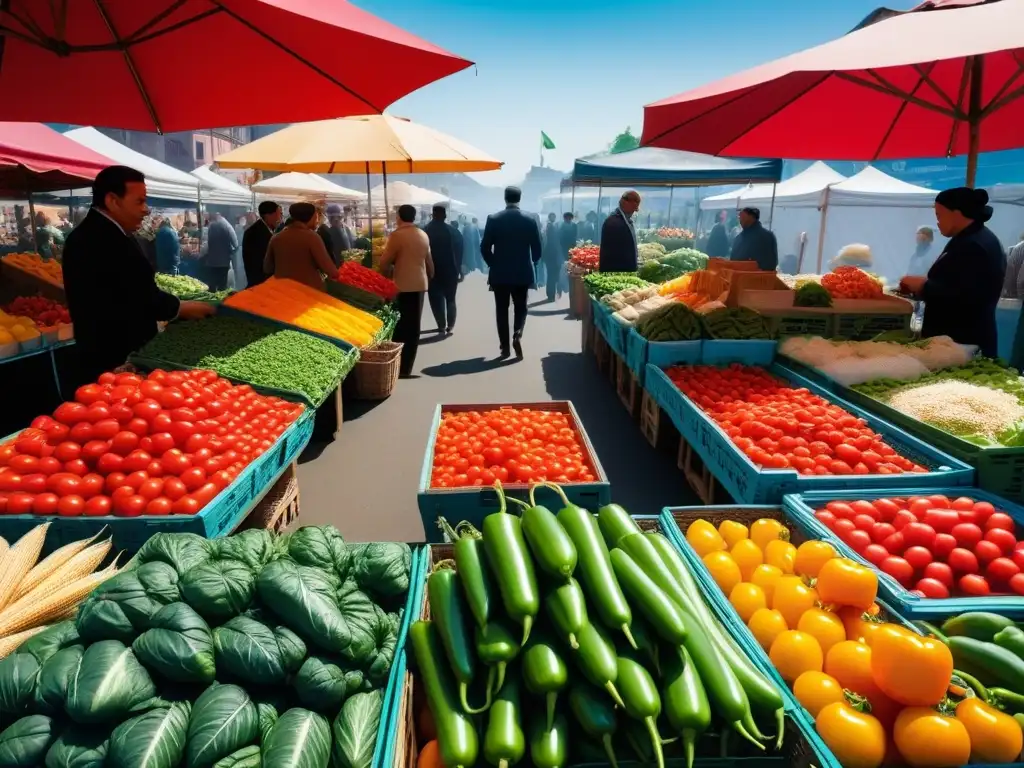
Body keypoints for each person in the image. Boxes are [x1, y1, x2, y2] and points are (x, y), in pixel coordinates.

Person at [62, 165, 213, 387]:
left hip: (106, 348)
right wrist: (181, 308)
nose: (147, 209)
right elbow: (140, 295)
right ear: (113, 201)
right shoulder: (102, 240)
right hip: (114, 354)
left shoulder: (102, 233)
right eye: (140, 201)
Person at [899, 187, 1005, 358]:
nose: (938, 222)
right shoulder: (970, 239)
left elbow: (964, 296)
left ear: (956, 213)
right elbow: (954, 281)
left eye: (939, 215)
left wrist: (923, 286)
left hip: (964, 343)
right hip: (958, 341)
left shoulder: (974, 245)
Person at [480, 186, 543, 359]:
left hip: (500, 274)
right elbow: (537, 248)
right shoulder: (530, 220)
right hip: (522, 272)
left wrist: (494, 263)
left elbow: (484, 247)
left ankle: (505, 347)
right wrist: (533, 262)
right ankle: (518, 333)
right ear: (520, 198)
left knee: (501, 310)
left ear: (505, 198)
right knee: (521, 307)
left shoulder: (493, 219)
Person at [380, 204, 433, 377]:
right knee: (414, 327)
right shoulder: (423, 235)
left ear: (399, 217)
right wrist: (429, 276)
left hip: (402, 285)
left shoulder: (397, 236)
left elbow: (384, 262)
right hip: (419, 285)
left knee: (401, 326)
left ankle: (400, 366)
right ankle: (407, 367)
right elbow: (430, 263)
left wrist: (385, 278)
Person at [263, 202, 339, 290]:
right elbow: (331, 271)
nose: (317, 220)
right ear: (310, 218)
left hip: (283, 291)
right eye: (316, 217)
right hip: (308, 292)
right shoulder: (312, 237)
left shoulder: (276, 238)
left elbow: (267, 268)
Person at [423, 204, 460, 336]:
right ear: (445, 215)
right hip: (451, 270)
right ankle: (450, 325)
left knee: (435, 299)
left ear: (433, 215)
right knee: (451, 299)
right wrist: (460, 270)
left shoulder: (425, 231)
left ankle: (441, 325)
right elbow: (459, 252)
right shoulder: (453, 231)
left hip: (431, 271)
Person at [599, 191, 641, 273]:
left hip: (619, 270)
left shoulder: (617, 220)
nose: (633, 212)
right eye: (633, 209)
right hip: (617, 271)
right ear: (627, 204)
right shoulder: (614, 223)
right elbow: (618, 252)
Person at [242, 201, 281, 288]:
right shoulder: (257, 232)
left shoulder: (264, 229)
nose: (279, 218)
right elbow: (261, 260)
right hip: (260, 281)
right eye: (277, 214)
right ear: (268, 215)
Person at [203, 212, 237, 291]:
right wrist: (231, 253)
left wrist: (201, 254)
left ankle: (212, 299)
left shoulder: (211, 227)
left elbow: (207, 244)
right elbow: (235, 244)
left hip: (212, 261)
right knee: (222, 284)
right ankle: (221, 300)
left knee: (212, 284)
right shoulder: (227, 227)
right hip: (224, 262)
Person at [558, 212, 577, 295]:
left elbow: (575, 236)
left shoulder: (574, 226)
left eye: (569, 218)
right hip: (564, 248)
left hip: (572, 248)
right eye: (567, 218)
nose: (568, 219)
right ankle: (564, 285)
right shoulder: (561, 226)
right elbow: (560, 238)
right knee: (564, 266)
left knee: (570, 266)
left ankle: (569, 284)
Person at [1004, 232, 1024, 298]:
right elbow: (1021, 282)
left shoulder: (1018, 247)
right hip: (1016, 294)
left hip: (1011, 292)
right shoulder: (1019, 248)